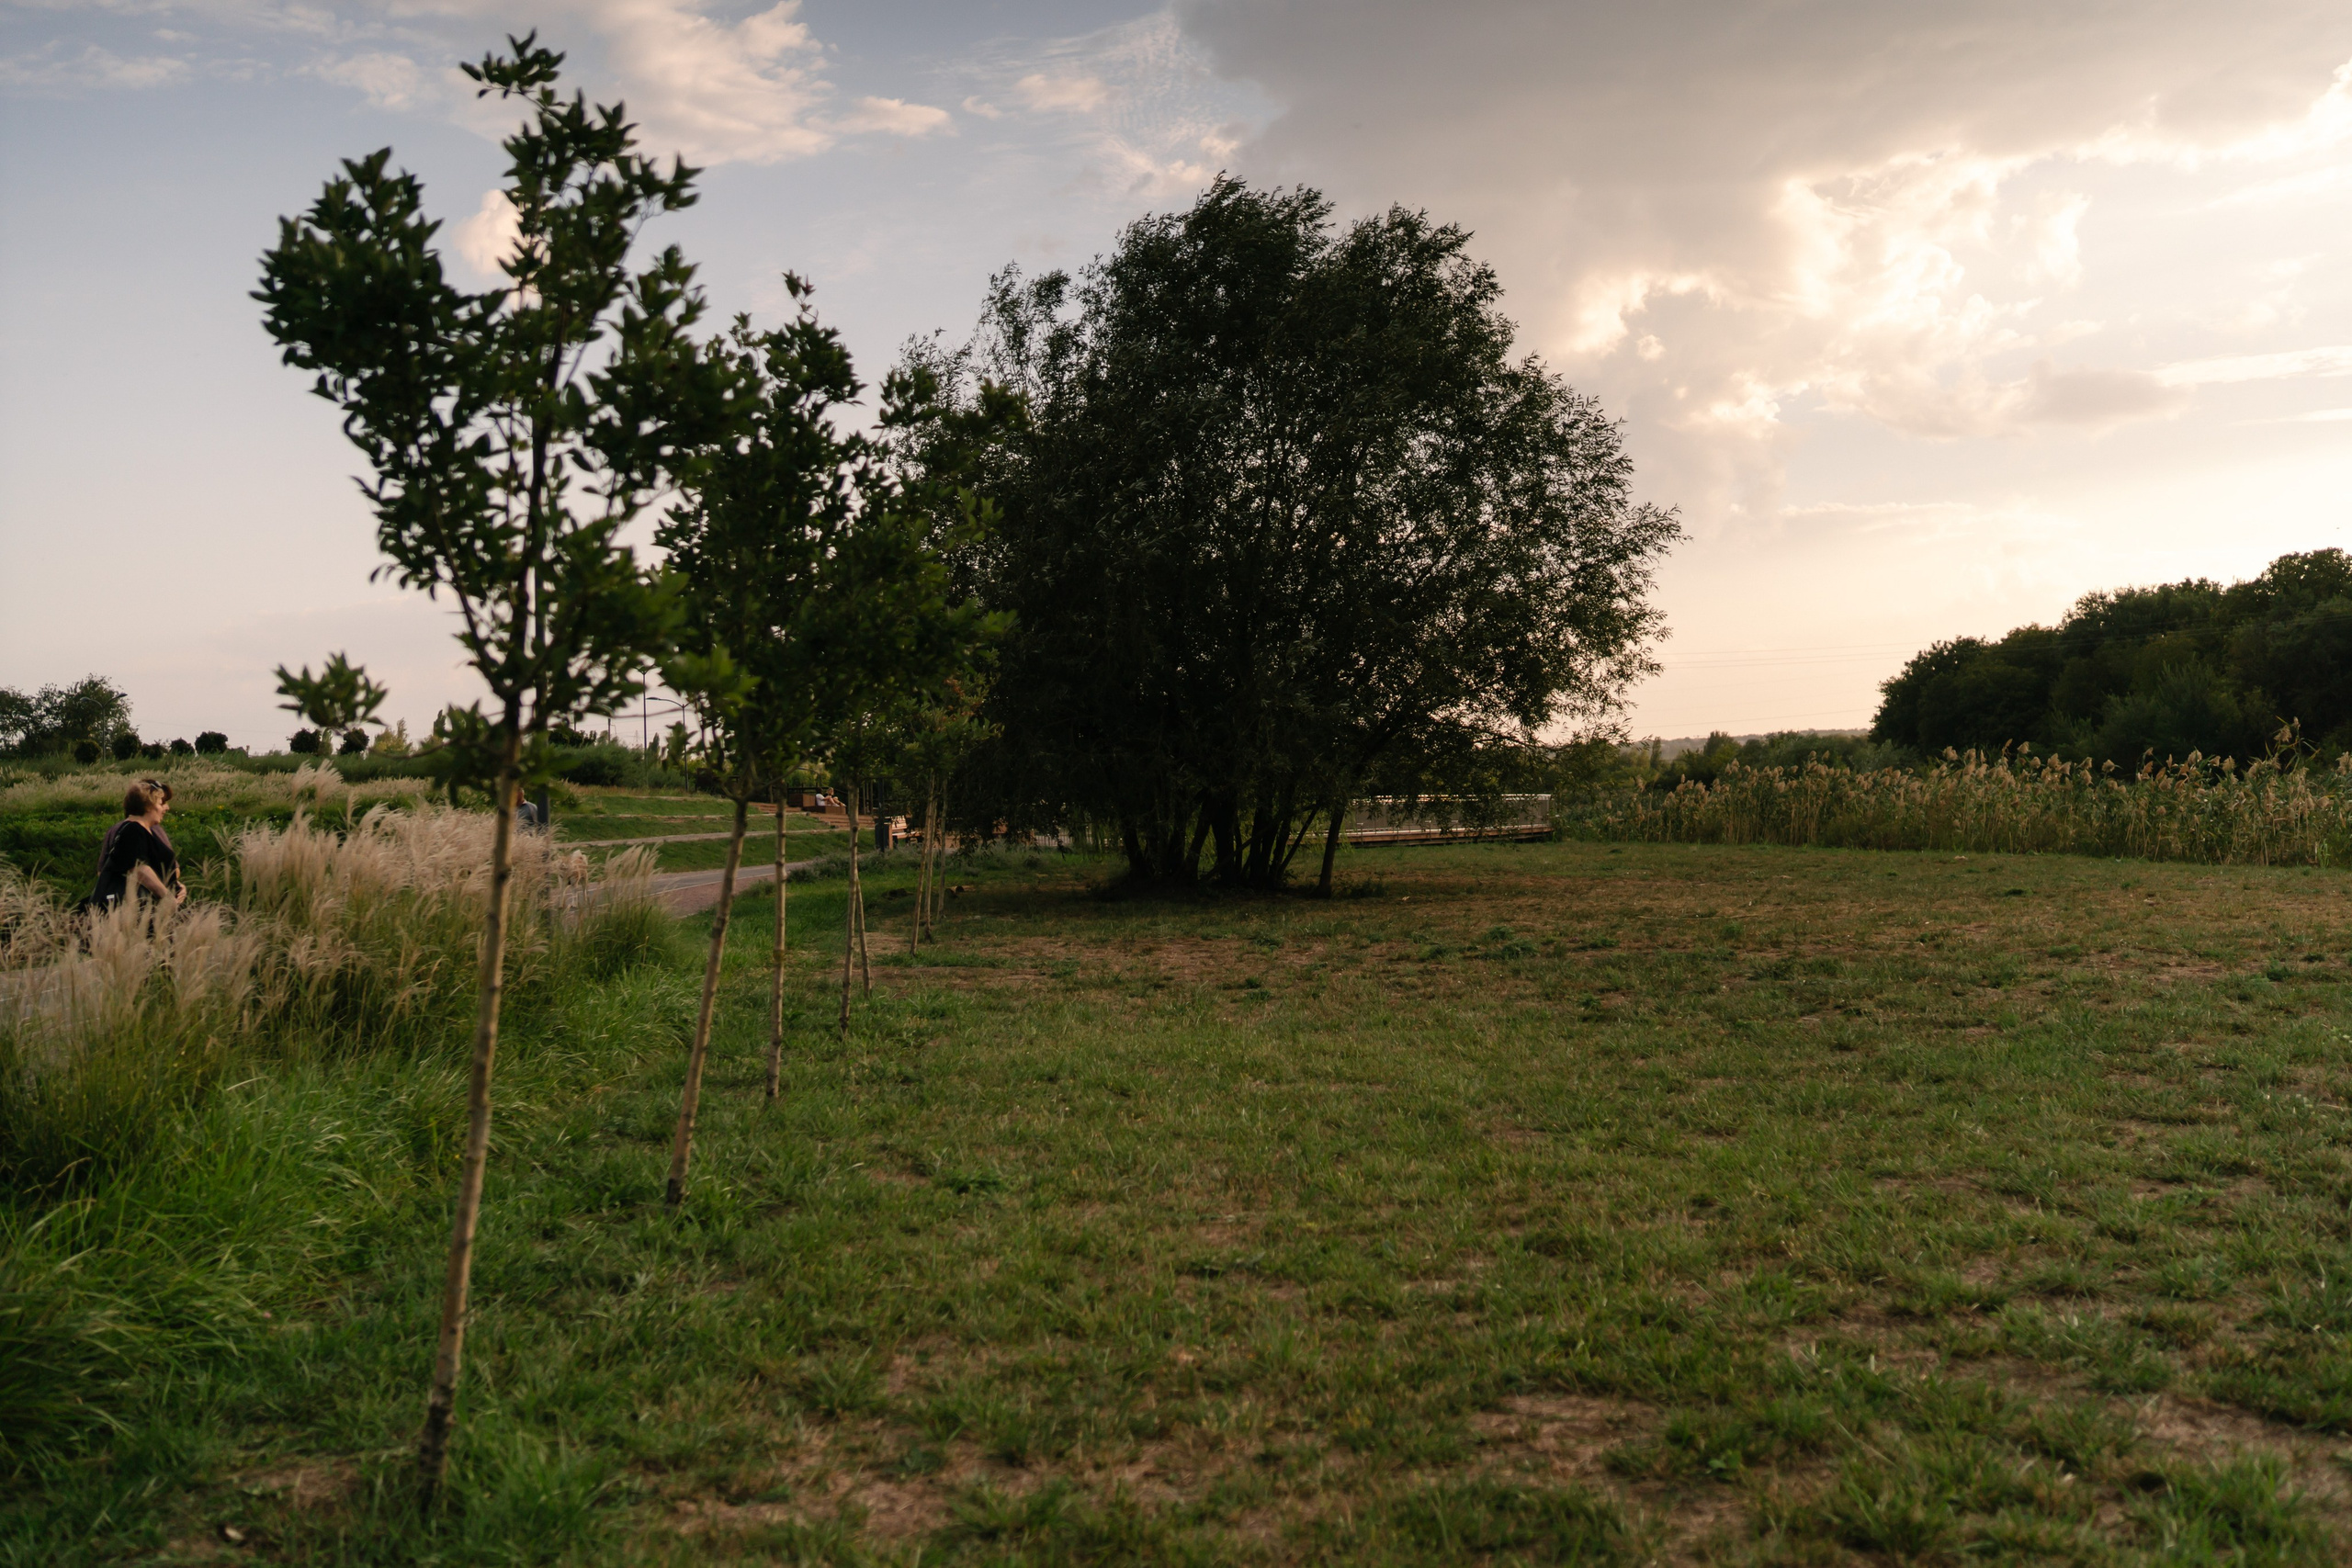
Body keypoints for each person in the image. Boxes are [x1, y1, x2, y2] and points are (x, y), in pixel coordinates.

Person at [83, 780, 186, 915]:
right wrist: (166, 896)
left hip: (153, 911)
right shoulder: (133, 830)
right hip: (138, 912)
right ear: (148, 806)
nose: (166, 808)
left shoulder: (144, 831)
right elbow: (138, 868)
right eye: (161, 803)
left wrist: (178, 886)